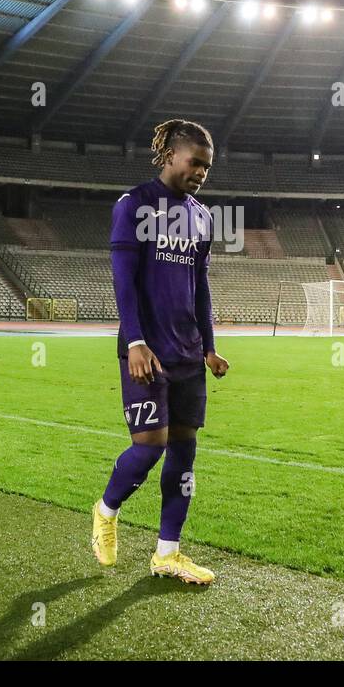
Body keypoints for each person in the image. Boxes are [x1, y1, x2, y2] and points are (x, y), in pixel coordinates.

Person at [91, 119, 229, 584]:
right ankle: (107, 511)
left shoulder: (202, 216)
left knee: (184, 453)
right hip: (146, 353)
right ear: (170, 154)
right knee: (149, 448)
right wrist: (134, 342)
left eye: (207, 167)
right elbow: (123, 281)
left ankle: (168, 552)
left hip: (189, 354)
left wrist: (209, 347)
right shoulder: (134, 205)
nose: (201, 173)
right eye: (195, 163)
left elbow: (201, 286)